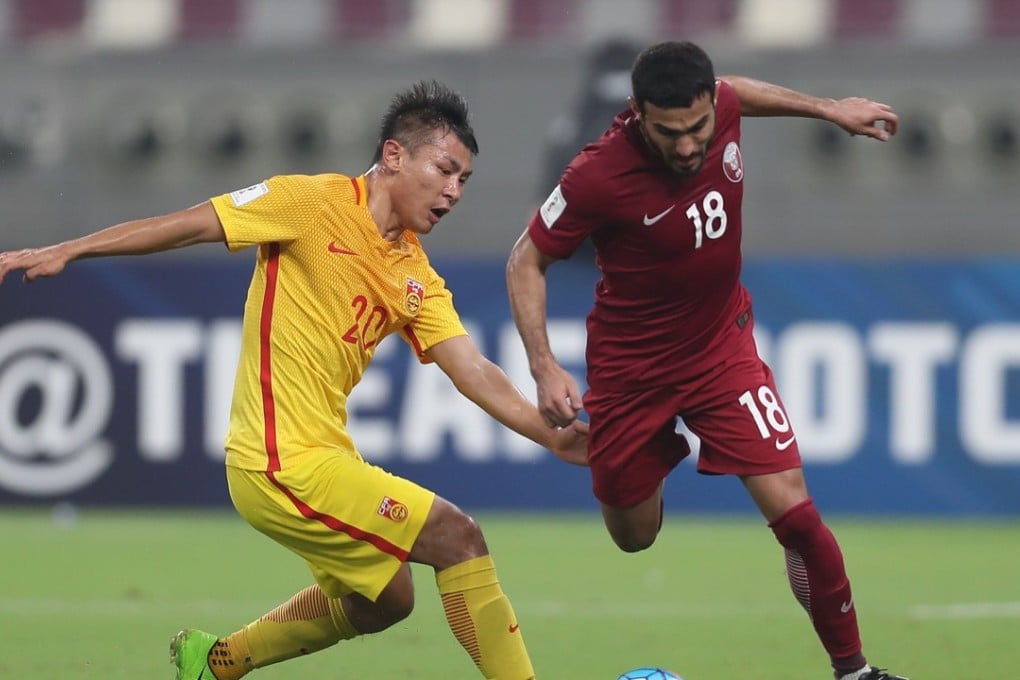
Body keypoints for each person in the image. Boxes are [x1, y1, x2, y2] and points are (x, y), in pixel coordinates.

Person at [0, 80, 587, 680]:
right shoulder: (309, 203)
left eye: (464, 180)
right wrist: (70, 250)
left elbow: (475, 370)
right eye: (445, 169)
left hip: (321, 456)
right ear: (394, 156)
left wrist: (557, 439)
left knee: (387, 600)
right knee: (458, 537)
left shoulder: (414, 273)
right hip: (276, 459)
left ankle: (216, 662)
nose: (454, 191)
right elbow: (190, 224)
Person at [505, 41, 907, 680]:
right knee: (633, 537)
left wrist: (829, 110)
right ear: (637, 113)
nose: (690, 146)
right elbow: (525, 259)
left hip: (721, 351)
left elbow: (738, 90)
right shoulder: (596, 174)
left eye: (698, 127)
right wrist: (544, 365)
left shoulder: (719, 104)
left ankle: (854, 671)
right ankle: (647, 461)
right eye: (670, 133)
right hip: (631, 372)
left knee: (797, 514)